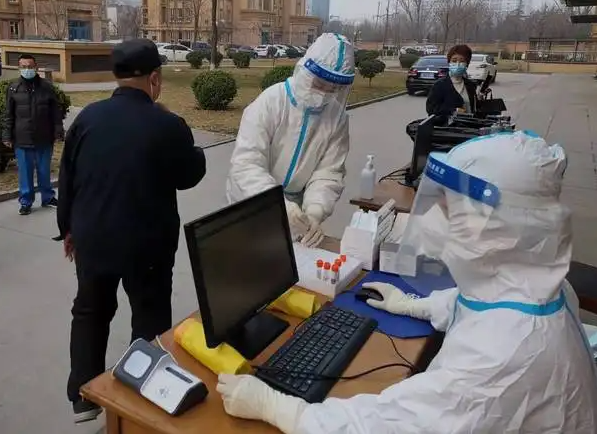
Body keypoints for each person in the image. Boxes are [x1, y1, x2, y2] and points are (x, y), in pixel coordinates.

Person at [216, 131, 597, 433]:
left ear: (502, 227)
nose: (436, 218)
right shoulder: (541, 290)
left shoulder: (499, 358)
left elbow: (389, 425)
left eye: (451, 209)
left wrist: (280, 408)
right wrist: (415, 305)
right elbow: (483, 304)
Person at [57, 39, 206, 424]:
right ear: (155, 78)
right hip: (147, 245)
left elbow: (67, 178)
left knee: (90, 311)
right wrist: (182, 129)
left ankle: (83, 395)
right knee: (150, 316)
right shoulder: (166, 124)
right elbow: (190, 174)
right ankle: (143, 395)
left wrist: (68, 229)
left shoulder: (88, 118)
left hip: (93, 238)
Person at [226, 33, 355, 248]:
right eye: (319, 84)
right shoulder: (271, 102)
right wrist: (279, 205)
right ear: (305, 71)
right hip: (253, 203)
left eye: (333, 88)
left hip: (297, 214)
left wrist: (315, 210)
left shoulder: (337, 118)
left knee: (291, 263)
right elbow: (247, 165)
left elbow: (329, 171)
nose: (324, 93)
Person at [2, 54, 64, 216]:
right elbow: (8, 114)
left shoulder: (47, 87)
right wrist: (7, 136)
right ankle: (26, 202)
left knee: (44, 171)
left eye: (30, 66)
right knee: (25, 173)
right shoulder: (13, 88)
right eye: (23, 67)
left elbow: (55, 112)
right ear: (19, 68)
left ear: (36, 68)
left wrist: (58, 132)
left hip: (44, 137)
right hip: (22, 138)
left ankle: (48, 197)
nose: (27, 69)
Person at [426, 44, 486, 117]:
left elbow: (474, 108)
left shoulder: (470, 85)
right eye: (454, 61)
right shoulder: (439, 85)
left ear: (467, 64)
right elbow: (431, 109)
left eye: (462, 61)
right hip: (448, 124)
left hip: (469, 123)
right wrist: (454, 111)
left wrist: (480, 99)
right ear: (449, 62)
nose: (458, 64)